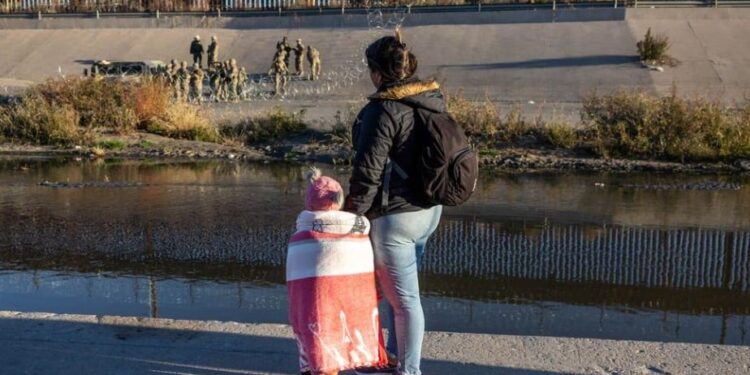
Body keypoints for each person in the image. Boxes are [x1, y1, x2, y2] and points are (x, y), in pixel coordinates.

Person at [344, 29, 443, 375]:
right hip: (429, 211)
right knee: (396, 293)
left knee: (405, 302)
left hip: (396, 218)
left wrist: (349, 217)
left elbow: (368, 171)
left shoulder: (382, 109)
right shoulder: (430, 98)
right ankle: (392, 358)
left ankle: (409, 370)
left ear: (377, 72)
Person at [287, 167, 388, 375]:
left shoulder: (302, 234)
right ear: (340, 200)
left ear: (309, 202)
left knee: (320, 330)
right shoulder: (360, 229)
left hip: (318, 301)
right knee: (345, 329)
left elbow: (296, 280)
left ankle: (321, 367)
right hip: (353, 301)